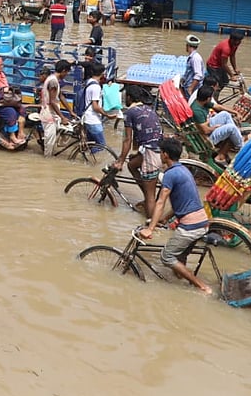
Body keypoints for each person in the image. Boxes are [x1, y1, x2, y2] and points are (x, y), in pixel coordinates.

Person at [140, 138, 215, 295]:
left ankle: (202, 287)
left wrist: (150, 229)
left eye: (161, 152)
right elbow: (181, 201)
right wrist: (165, 218)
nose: (160, 155)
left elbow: (160, 202)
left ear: (165, 155)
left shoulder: (170, 174)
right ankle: (181, 282)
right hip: (201, 222)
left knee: (166, 257)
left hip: (190, 227)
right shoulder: (183, 170)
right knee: (180, 256)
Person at [113, 87, 163, 218]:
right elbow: (139, 135)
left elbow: (127, 139)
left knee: (150, 196)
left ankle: (151, 225)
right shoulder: (148, 109)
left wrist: (120, 161)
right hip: (159, 149)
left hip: (151, 153)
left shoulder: (130, 112)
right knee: (132, 165)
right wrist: (135, 154)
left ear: (129, 97)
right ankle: (147, 195)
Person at [191, 84, 243, 165]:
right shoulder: (197, 111)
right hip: (206, 137)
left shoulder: (200, 102)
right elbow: (205, 131)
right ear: (208, 98)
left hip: (207, 125)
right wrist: (215, 127)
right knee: (231, 128)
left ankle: (236, 135)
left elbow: (218, 107)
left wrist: (235, 112)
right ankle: (241, 145)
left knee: (225, 114)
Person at [39, 59, 72, 157]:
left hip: (53, 114)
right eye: (67, 72)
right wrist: (62, 117)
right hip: (48, 114)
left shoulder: (54, 80)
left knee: (68, 129)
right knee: (49, 144)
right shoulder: (53, 82)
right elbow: (52, 101)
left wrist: (71, 111)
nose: (66, 74)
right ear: (63, 71)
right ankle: (46, 163)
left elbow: (61, 96)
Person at [80, 62, 112, 151]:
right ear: (102, 73)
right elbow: (95, 106)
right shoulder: (96, 87)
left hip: (87, 118)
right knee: (101, 146)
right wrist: (107, 115)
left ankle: (88, 161)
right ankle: (94, 161)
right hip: (93, 120)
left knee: (91, 143)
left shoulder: (89, 82)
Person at [206, 30, 244, 96]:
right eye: (236, 41)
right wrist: (231, 75)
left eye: (239, 41)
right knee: (217, 84)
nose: (237, 43)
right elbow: (224, 64)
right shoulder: (226, 48)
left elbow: (232, 56)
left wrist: (235, 68)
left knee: (225, 81)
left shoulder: (234, 45)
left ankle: (215, 95)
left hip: (220, 65)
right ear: (231, 39)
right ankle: (213, 100)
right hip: (213, 66)